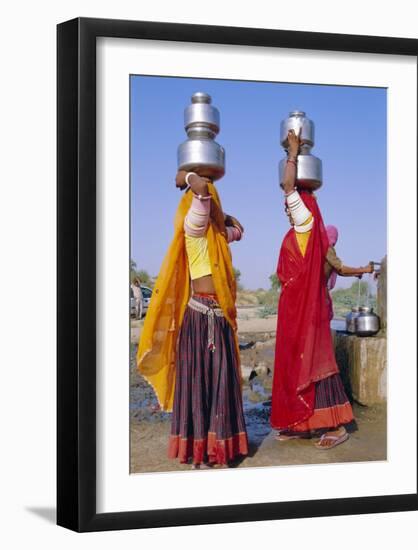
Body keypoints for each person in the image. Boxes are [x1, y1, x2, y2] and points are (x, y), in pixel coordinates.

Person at [137, 170, 248, 467]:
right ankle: (199, 450)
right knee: (199, 385)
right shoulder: (194, 226)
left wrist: (224, 217)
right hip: (199, 317)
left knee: (221, 384)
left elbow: (238, 230)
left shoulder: (216, 236)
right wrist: (186, 176)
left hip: (219, 316)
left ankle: (220, 448)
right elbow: (200, 190)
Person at [270, 129, 371, 449]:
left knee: (317, 363)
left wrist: (293, 151)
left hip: (308, 312)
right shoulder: (301, 230)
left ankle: (338, 424)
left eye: (292, 205)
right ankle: (304, 423)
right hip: (295, 311)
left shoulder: (306, 221)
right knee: (299, 363)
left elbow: (288, 186)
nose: (287, 208)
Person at [324, 225, 373, 321]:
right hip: (319, 294)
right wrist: (364, 270)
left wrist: (356, 272)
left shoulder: (323, 249)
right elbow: (341, 269)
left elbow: (339, 270)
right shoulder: (326, 248)